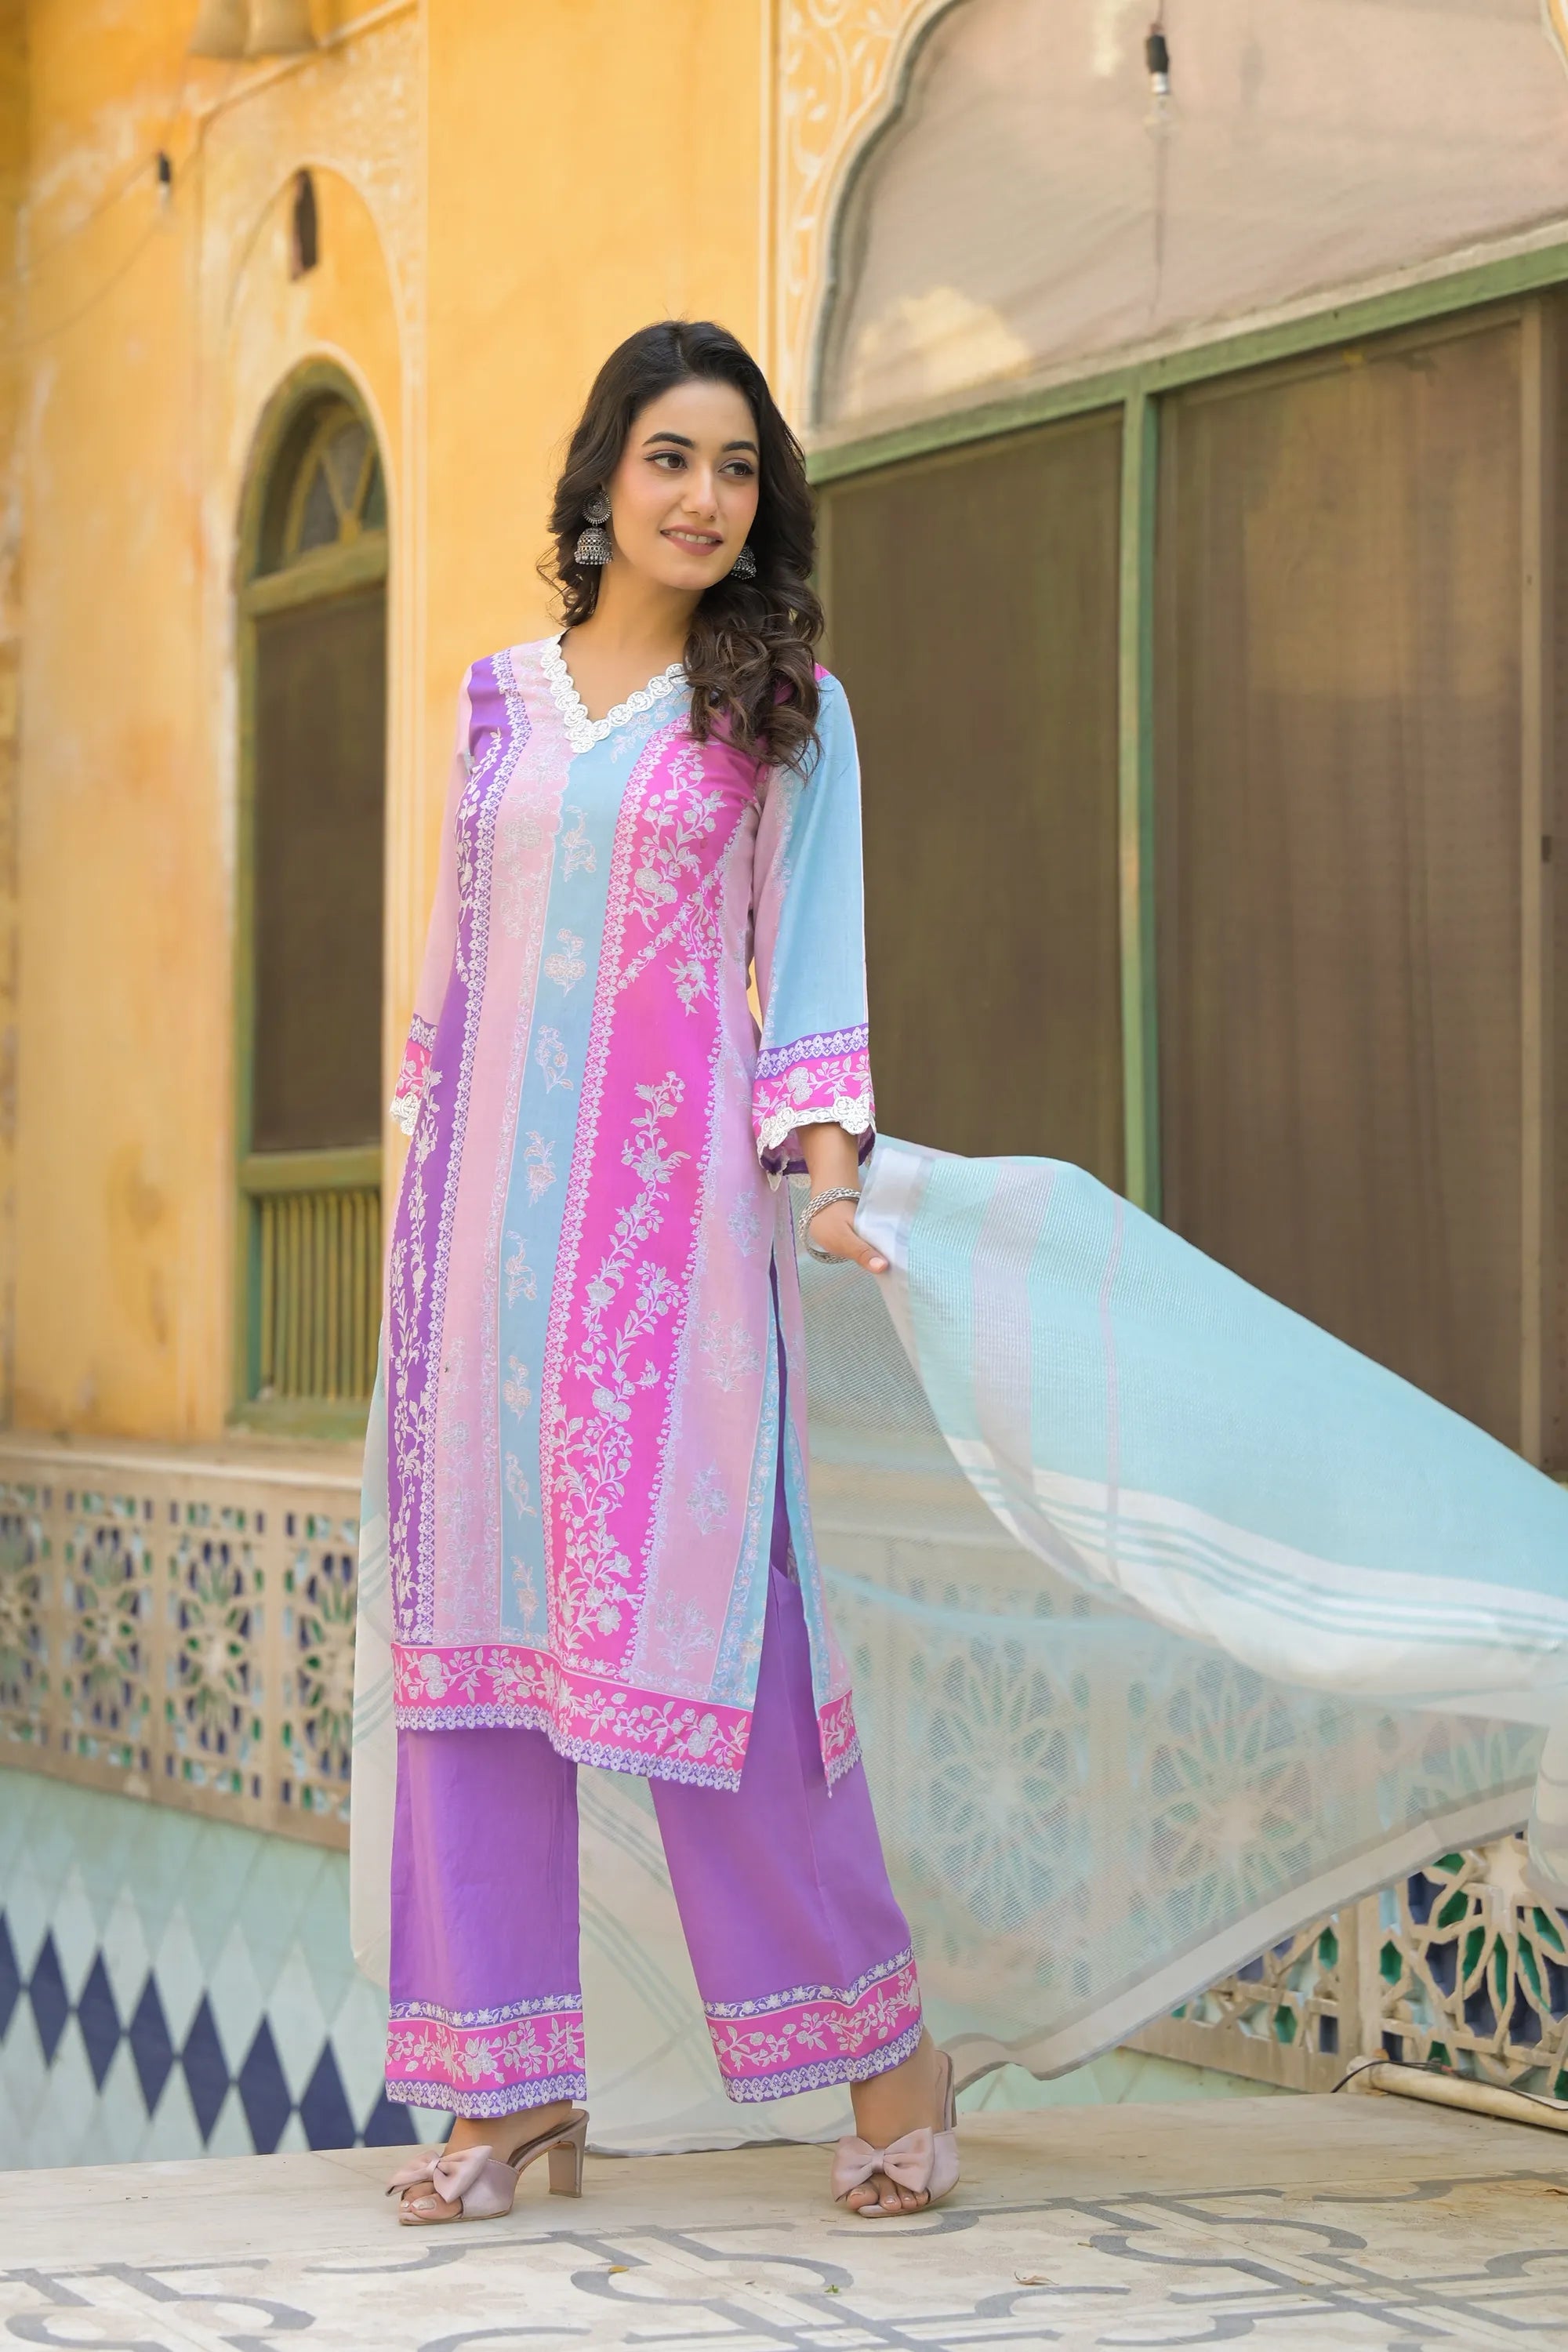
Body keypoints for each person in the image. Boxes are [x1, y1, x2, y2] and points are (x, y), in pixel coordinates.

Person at [377, 320, 956, 2226]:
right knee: (471, 1668)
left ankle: (889, 2061)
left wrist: (825, 1178)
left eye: (735, 469)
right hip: (476, 1272)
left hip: (672, 1267)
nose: (705, 498)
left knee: (725, 1654)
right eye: (670, 459)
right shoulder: (492, 704)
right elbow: (454, 989)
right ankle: (504, 2096)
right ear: (603, 476)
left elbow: (810, 972)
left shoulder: (783, 707)